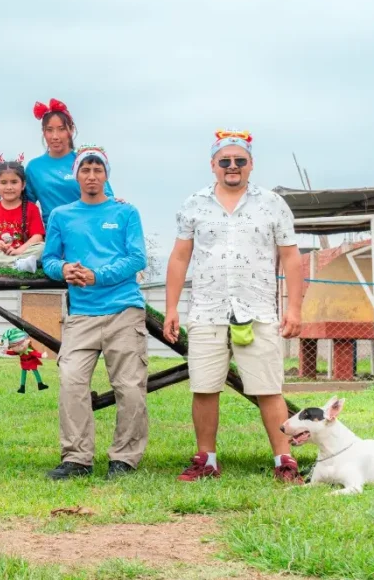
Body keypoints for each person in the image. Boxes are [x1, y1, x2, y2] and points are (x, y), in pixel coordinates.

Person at [162, 129, 306, 484]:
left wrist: (295, 308)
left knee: (268, 388)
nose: (232, 167)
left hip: (257, 309)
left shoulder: (272, 204)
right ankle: (206, 460)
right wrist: (171, 308)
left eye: (239, 160)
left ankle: (284, 460)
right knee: (205, 387)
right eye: (224, 161)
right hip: (207, 309)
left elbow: (290, 257)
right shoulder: (194, 204)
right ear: (212, 165)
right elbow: (180, 257)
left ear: (251, 165)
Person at [41, 145, 148, 480]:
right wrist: (64, 269)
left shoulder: (125, 213)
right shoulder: (61, 216)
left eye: (97, 169)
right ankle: (76, 459)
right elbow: (49, 259)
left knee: (129, 386)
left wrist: (98, 275)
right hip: (81, 315)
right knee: (71, 382)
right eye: (85, 170)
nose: (91, 175)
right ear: (77, 176)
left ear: (106, 175)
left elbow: (137, 258)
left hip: (123, 310)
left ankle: (124, 459)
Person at [24, 98, 114, 227]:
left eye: (61, 129)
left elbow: (108, 197)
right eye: (49, 130)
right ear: (43, 132)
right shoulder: (34, 168)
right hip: (54, 234)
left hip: (89, 229)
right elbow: (24, 208)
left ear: (71, 130)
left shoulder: (84, 160)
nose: (55, 136)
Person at [0, 153, 45, 272]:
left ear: (23, 185)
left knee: (43, 247)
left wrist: (20, 250)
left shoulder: (31, 208)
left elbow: (38, 237)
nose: (9, 187)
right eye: (3, 182)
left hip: (23, 253)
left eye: (14, 182)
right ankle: (16, 266)